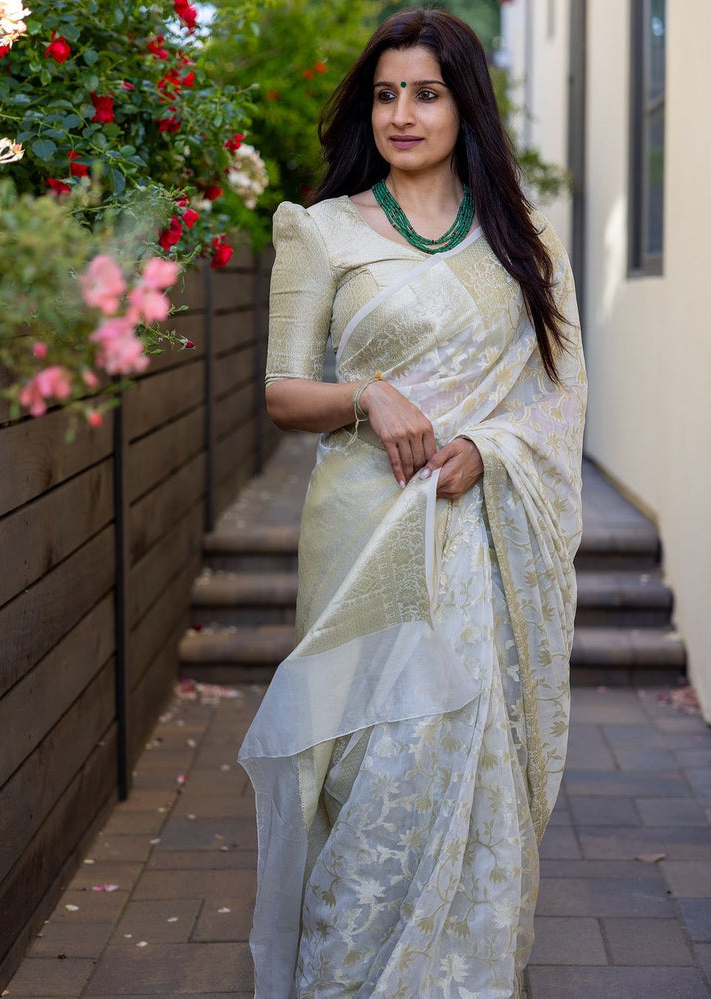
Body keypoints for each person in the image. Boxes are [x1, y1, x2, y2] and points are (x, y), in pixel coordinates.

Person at [238, 8, 586, 999]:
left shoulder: (522, 243)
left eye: (424, 92)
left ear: (461, 105)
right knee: (361, 777)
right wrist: (365, 394)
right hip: (360, 535)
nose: (401, 112)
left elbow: (558, 397)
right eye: (385, 93)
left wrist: (490, 444)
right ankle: (350, 976)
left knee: (461, 761)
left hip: (478, 534)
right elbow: (278, 393)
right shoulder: (320, 228)